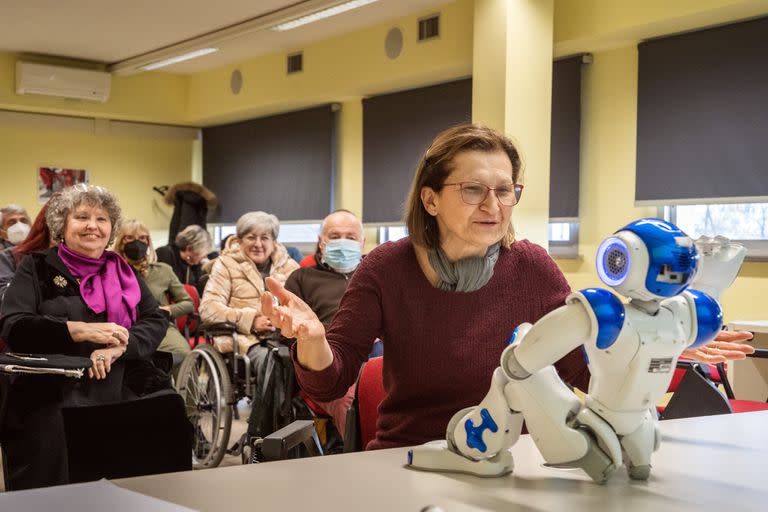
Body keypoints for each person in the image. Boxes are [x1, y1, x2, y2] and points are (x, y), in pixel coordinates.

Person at [261, 123, 755, 450]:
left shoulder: (532, 267)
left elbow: (581, 371)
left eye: (505, 190)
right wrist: (315, 343)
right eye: (473, 189)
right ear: (430, 200)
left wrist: (663, 348)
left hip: (509, 458)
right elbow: (333, 380)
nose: (493, 206)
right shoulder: (386, 268)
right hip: (410, 457)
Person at [0, 184, 168, 489]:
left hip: (119, 375)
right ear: (63, 225)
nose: (93, 225)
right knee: (56, 446)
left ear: (111, 229)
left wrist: (119, 347)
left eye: (102, 219)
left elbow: (154, 319)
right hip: (54, 382)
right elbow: (15, 326)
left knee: (164, 412)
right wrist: (81, 330)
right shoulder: (36, 268)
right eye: (82, 217)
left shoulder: (123, 271)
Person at [283, 209, 367, 435]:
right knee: (353, 401)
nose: (343, 242)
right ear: (321, 242)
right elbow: (286, 332)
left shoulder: (376, 274)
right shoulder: (301, 278)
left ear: (362, 242)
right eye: (335, 236)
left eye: (350, 237)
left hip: (382, 358)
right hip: (331, 362)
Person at [199, 211, 299, 354]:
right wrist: (251, 320)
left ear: (274, 242)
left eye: (264, 238)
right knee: (274, 360)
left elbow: (303, 306)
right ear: (239, 241)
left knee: (308, 359)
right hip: (244, 340)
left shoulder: (290, 266)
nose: (258, 244)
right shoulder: (226, 264)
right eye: (251, 237)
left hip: (285, 337)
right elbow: (208, 309)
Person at [114, 219, 193, 355]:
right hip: (123, 327)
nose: (137, 242)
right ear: (121, 242)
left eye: (142, 238)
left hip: (158, 326)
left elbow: (188, 303)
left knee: (183, 353)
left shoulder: (163, 270)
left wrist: (168, 309)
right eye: (130, 238)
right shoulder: (111, 271)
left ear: (149, 242)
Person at [0, 201, 55, 304]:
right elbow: (6, 296)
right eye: (12, 222)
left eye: (24, 221)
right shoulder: (6, 257)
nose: (19, 226)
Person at [156, 224, 212, 296]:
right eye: (202, 255)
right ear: (189, 249)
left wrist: (208, 269)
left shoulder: (194, 264)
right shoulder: (165, 254)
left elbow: (199, 292)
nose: (203, 258)